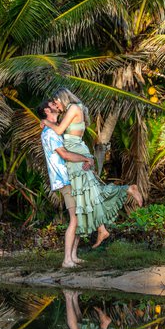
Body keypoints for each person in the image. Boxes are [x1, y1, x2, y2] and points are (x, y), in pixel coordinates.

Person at [42, 88, 143, 247]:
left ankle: (127, 190)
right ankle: (102, 228)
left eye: (56, 102)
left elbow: (60, 130)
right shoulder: (74, 108)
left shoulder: (74, 108)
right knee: (90, 192)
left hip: (75, 152)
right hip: (75, 151)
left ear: (62, 99)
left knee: (89, 192)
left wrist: (46, 122)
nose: (57, 106)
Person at [39, 101, 98, 268]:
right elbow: (64, 155)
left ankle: (73, 256)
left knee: (77, 218)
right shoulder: (49, 133)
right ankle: (67, 260)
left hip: (70, 178)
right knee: (74, 219)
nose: (57, 105)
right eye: (52, 104)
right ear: (46, 110)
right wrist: (85, 158)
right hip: (65, 181)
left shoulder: (54, 129)